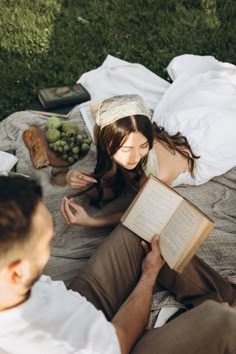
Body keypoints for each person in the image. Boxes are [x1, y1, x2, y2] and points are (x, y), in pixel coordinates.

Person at [1, 175, 236, 353]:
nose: (51, 243)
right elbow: (121, 337)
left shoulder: (12, 279)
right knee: (221, 321)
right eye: (46, 241)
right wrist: (149, 275)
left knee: (137, 230)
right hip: (111, 341)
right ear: (16, 273)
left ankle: (230, 297)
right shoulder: (44, 339)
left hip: (73, 304)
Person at [62, 94, 199, 228]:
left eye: (144, 146)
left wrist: (91, 221)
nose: (135, 157)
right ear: (105, 143)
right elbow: (112, 188)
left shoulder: (160, 172)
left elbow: (142, 214)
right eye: (126, 149)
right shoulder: (120, 141)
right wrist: (74, 178)